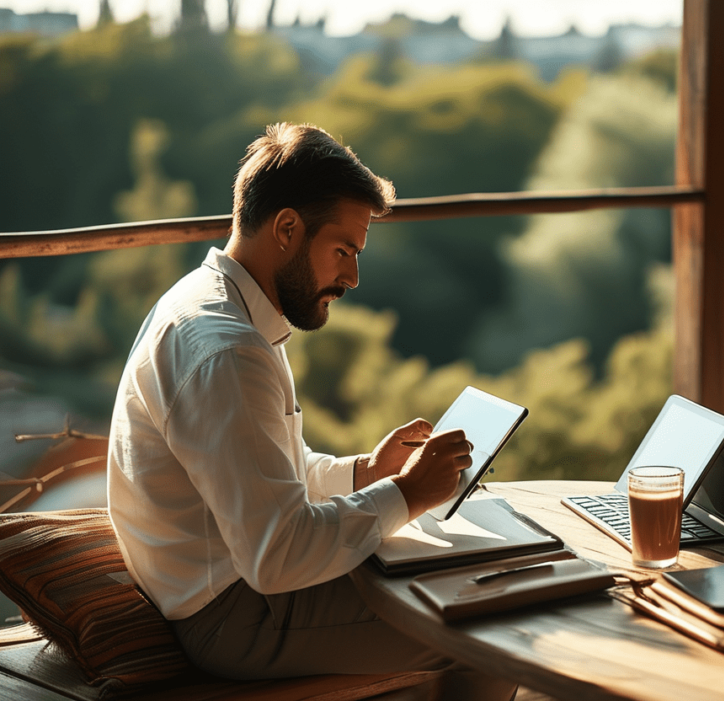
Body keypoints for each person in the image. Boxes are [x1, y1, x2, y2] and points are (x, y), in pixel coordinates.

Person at [106, 122, 517, 699]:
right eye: (343, 251)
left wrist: (365, 474)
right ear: (288, 228)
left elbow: (266, 474)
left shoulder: (209, 304)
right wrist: (408, 495)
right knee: (498, 625)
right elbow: (277, 555)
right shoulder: (230, 350)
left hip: (215, 583)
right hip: (232, 616)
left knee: (471, 580)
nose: (351, 277)